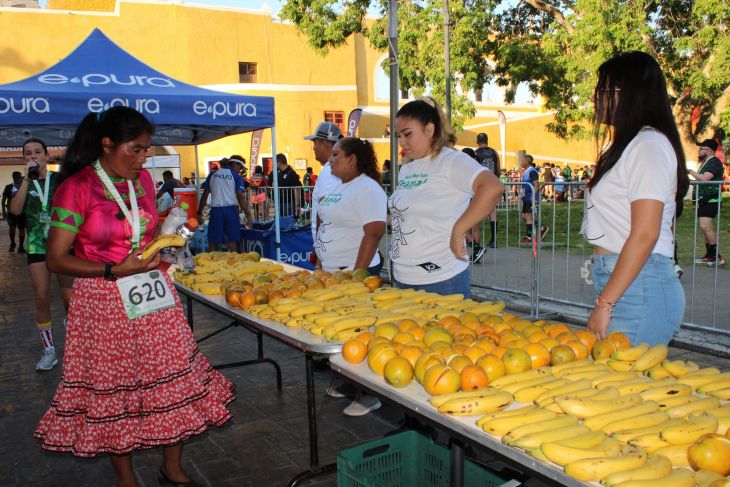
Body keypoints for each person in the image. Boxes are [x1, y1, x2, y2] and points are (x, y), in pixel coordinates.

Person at [35, 106, 234, 487]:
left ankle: (171, 466)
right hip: (103, 298)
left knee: (170, 376)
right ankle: (125, 478)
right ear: (107, 144)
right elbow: (56, 259)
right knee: (115, 388)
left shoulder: (141, 181)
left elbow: (141, 231)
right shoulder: (76, 188)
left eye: (146, 150)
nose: (144, 158)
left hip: (151, 292)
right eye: (136, 149)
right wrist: (113, 269)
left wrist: (167, 234)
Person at [583, 51, 689, 346]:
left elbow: (646, 233)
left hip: (639, 287)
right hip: (627, 282)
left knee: (620, 375)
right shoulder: (631, 145)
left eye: (603, 90)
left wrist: (605, 304)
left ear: (624, 93)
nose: (595, 98)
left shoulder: (648, 145)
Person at [389, 97, 503, 296]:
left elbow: (492, 187)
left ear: (429, 130)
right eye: (398, 136)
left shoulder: (451, 161)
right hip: (402, 278)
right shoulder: (407, 168)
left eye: (407, 134)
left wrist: (459, 230)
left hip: (440, 280)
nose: (402, 142)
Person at [314, 137, 387, 416]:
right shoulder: (341, 185)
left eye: (336, 155)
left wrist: (358, 275)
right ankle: (350, 382)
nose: (331, 159)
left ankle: (370, 394)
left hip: (355, 275)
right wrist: (321, 261)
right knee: (343, 333)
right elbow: (326, 223)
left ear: (352, 159)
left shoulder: (368, 188)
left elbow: (374, 232)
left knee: (360, 333)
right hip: (334, 274)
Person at [10, 138, 74, 371]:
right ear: (24, 158)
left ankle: (76, 346)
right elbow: (15, 210)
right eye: (28, 153)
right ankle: (49, 351)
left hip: (63, 246)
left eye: (37, 152)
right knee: (41, 297)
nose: (33, 156)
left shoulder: (60, 180)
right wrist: (27, 179)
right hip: (37, 246)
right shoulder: (23, 183)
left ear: (46, 155)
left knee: (71, 300)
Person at [198, 157, 252, 252]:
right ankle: (233, 260)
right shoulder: (236, 176)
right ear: (235, 164)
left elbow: (205, 195)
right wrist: (248, 214)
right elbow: (240, 196)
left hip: (216, 211)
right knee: (232, 241)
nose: (240, 171)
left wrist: (199, 212)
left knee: (213, 242)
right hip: (231, 211)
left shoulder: (212, 174)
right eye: (240, 168)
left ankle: (209, 261)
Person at [305, 121, 343, 241]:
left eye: (315, 142)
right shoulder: (338, 168)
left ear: (325, 143)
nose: (313, 148)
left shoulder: (329, 171)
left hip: (329, 244)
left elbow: (326, 213)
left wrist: (319, 246)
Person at [689, 139, 725, 266]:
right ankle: (709, 256)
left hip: (712, 200)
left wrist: (690, 171)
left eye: (701, 148)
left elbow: (704, 179)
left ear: (709, 150)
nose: (699, 151)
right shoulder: (707, 162)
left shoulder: (714, 162)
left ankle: (716, 257)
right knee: (704, 227)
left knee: (705, 226)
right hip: (704, 200)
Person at [474, 133, 500, 249]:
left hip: (480, 185)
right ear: (487, 140)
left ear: (477, 142)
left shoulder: (476, 153)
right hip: (492, 183)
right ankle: (494, 240)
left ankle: (475, 241)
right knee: (492, 212)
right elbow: (498, 168)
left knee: (476, 210)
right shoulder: (494, 152)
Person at [519, 154, 549, 244]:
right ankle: (541, 228)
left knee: (528, 217)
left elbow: (536, 185)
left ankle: (529, 237)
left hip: (530, 197)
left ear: (527, 161)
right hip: (525, 197)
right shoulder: (526, 171)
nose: (521, 162)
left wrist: (533, 196)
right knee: (524, 217)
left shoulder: (532, 171)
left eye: (522, 160)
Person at [267, 153, 302, 218]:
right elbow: (271, 183)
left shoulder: (291, 173)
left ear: (279, 162)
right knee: (278, 221)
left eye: (275, 162)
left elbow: (296, 189)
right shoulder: (277, 172)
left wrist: (297, 206)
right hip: (279, 203)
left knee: (288, 221)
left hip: (289, 203)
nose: (273, 164)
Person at [3, 171, 27, 253]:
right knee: (12, 228)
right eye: (19, 177)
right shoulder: (9, 187)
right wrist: (4, 211)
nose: (21, 178)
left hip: (22, 211)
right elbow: (4, 199)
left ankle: (20, 246)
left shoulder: (24, 187)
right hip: (12, 211)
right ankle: (13, 243)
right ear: (15, 177)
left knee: (21, 228)